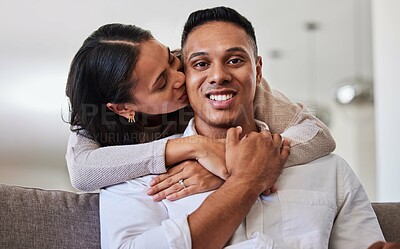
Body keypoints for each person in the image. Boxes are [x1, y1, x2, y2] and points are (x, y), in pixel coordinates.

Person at [100, 6, 384, 248]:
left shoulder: (330, 171)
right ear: (184, 77)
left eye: (235, 60)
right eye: (200, 64)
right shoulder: (139, 179)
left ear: (258, 70)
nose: (219, 75)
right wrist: (246, 179)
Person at [65, 22, 335, 200]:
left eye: (172, 60)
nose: (180, 77)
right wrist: (193, 147)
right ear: (124, 108)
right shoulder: (96, 114)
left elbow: (317, 134)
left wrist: (233, 166)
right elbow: (82, 171)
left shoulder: (209, 75)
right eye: (161, 83)